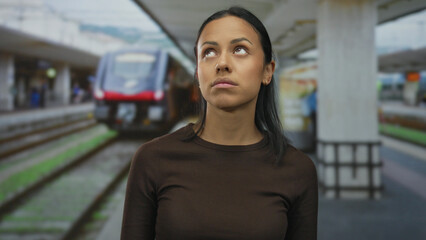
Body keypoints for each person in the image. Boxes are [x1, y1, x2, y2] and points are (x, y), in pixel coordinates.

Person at [121, 6, 318, 240]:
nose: (222, 63)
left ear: (267, 71)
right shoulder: (151, 159)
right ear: (197, 72)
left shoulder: (297, 169)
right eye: (209, 52)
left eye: (240, 49)